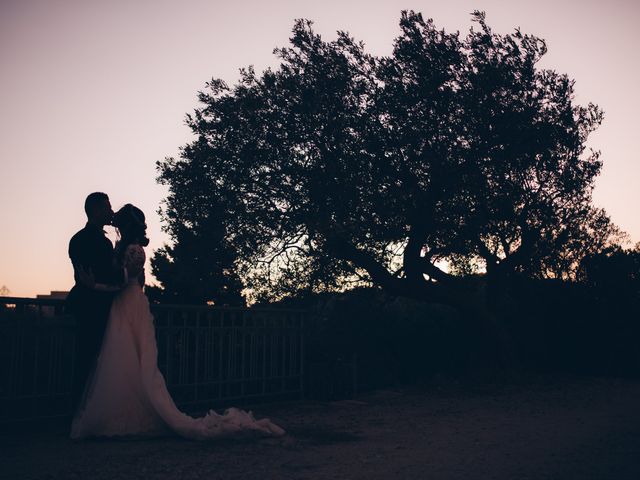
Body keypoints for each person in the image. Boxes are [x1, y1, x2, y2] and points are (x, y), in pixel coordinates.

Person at [70, 204, 285, 440]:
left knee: (133, 358)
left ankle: (136, 414)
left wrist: (94, 286)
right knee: (121, 360)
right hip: (120, 307)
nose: (116, 226)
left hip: (130, 307)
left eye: (120, 223)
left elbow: (124, 281)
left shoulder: (135, 250)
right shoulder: (121, 248)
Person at [66, 192, 125, 412]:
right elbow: (95, 276)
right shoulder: (86, 240)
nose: (111, 211)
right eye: (107, 207)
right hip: (91, 308)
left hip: (97, 305)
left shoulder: (95, 240)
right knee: (87, 362)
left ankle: (86, 411)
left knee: (93, 362)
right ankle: (79, 412)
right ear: (96, 210)